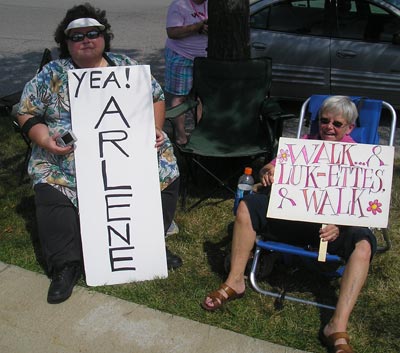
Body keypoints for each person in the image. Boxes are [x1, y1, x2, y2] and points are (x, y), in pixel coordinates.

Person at [17, 3, 182, 305]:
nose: (85, 40)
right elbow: (26, 112)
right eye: (76, 36)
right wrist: (45, 139)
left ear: (105, 37)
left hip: (123, 155)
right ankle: (65, 265)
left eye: (93, 33)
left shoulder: (126, 67)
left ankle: (149, 245)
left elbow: (156, 97)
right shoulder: (53, 73)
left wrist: (155, 128)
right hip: (69, 160)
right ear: (65, 43)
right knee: (48, 181)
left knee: (167, 169)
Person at [201, 96, 376, 353]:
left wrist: (340, 224)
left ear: (349, 128)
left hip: (330, 229)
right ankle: (235, 281)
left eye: (337, 124)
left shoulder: (359, 158)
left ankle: (336, 326)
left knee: (363, 244)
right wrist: (267, 173)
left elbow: (362, 203)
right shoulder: (303, 145)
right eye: (324, 120)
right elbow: (267, 169)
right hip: (293, 220)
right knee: (247, 207)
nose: (328, 127)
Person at [164, 0, 208, 145]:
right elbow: (172, 32)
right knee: (180, 98)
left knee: (200, 97)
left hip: (203, 58)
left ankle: (201, 133)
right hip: (181, 55)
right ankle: (181, 136)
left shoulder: (212, 4)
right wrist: (198, 27)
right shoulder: (179, 5)